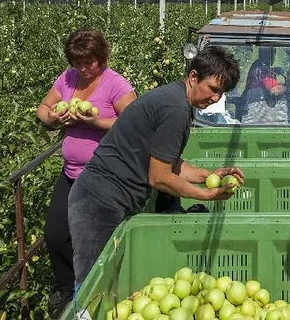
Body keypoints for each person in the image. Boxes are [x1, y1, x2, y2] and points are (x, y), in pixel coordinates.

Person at [68, 45, 245, 299]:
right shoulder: (175, 108)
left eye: (222, 93)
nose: (216, 98)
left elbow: (168, 163)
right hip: (98, 202)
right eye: (213, 89)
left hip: (106, 198)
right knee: (92, 286)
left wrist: (208, 176)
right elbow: (159, 177)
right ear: (193, 76)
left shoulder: (176, 100)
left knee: (108, 285)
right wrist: (205, 195)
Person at [36, 29, 137, 315]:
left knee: (95, 239)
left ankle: (100, 292)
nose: (83, 68)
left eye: (89, 62)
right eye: (77, 62)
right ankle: (68, 289)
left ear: (101, 58)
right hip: (71, 174)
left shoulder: (115, 83)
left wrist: (95, 122)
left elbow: (134, 123)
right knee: (55, 234)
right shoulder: (67, 78)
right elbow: (43, 108)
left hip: (103, 177)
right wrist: (53, 118)